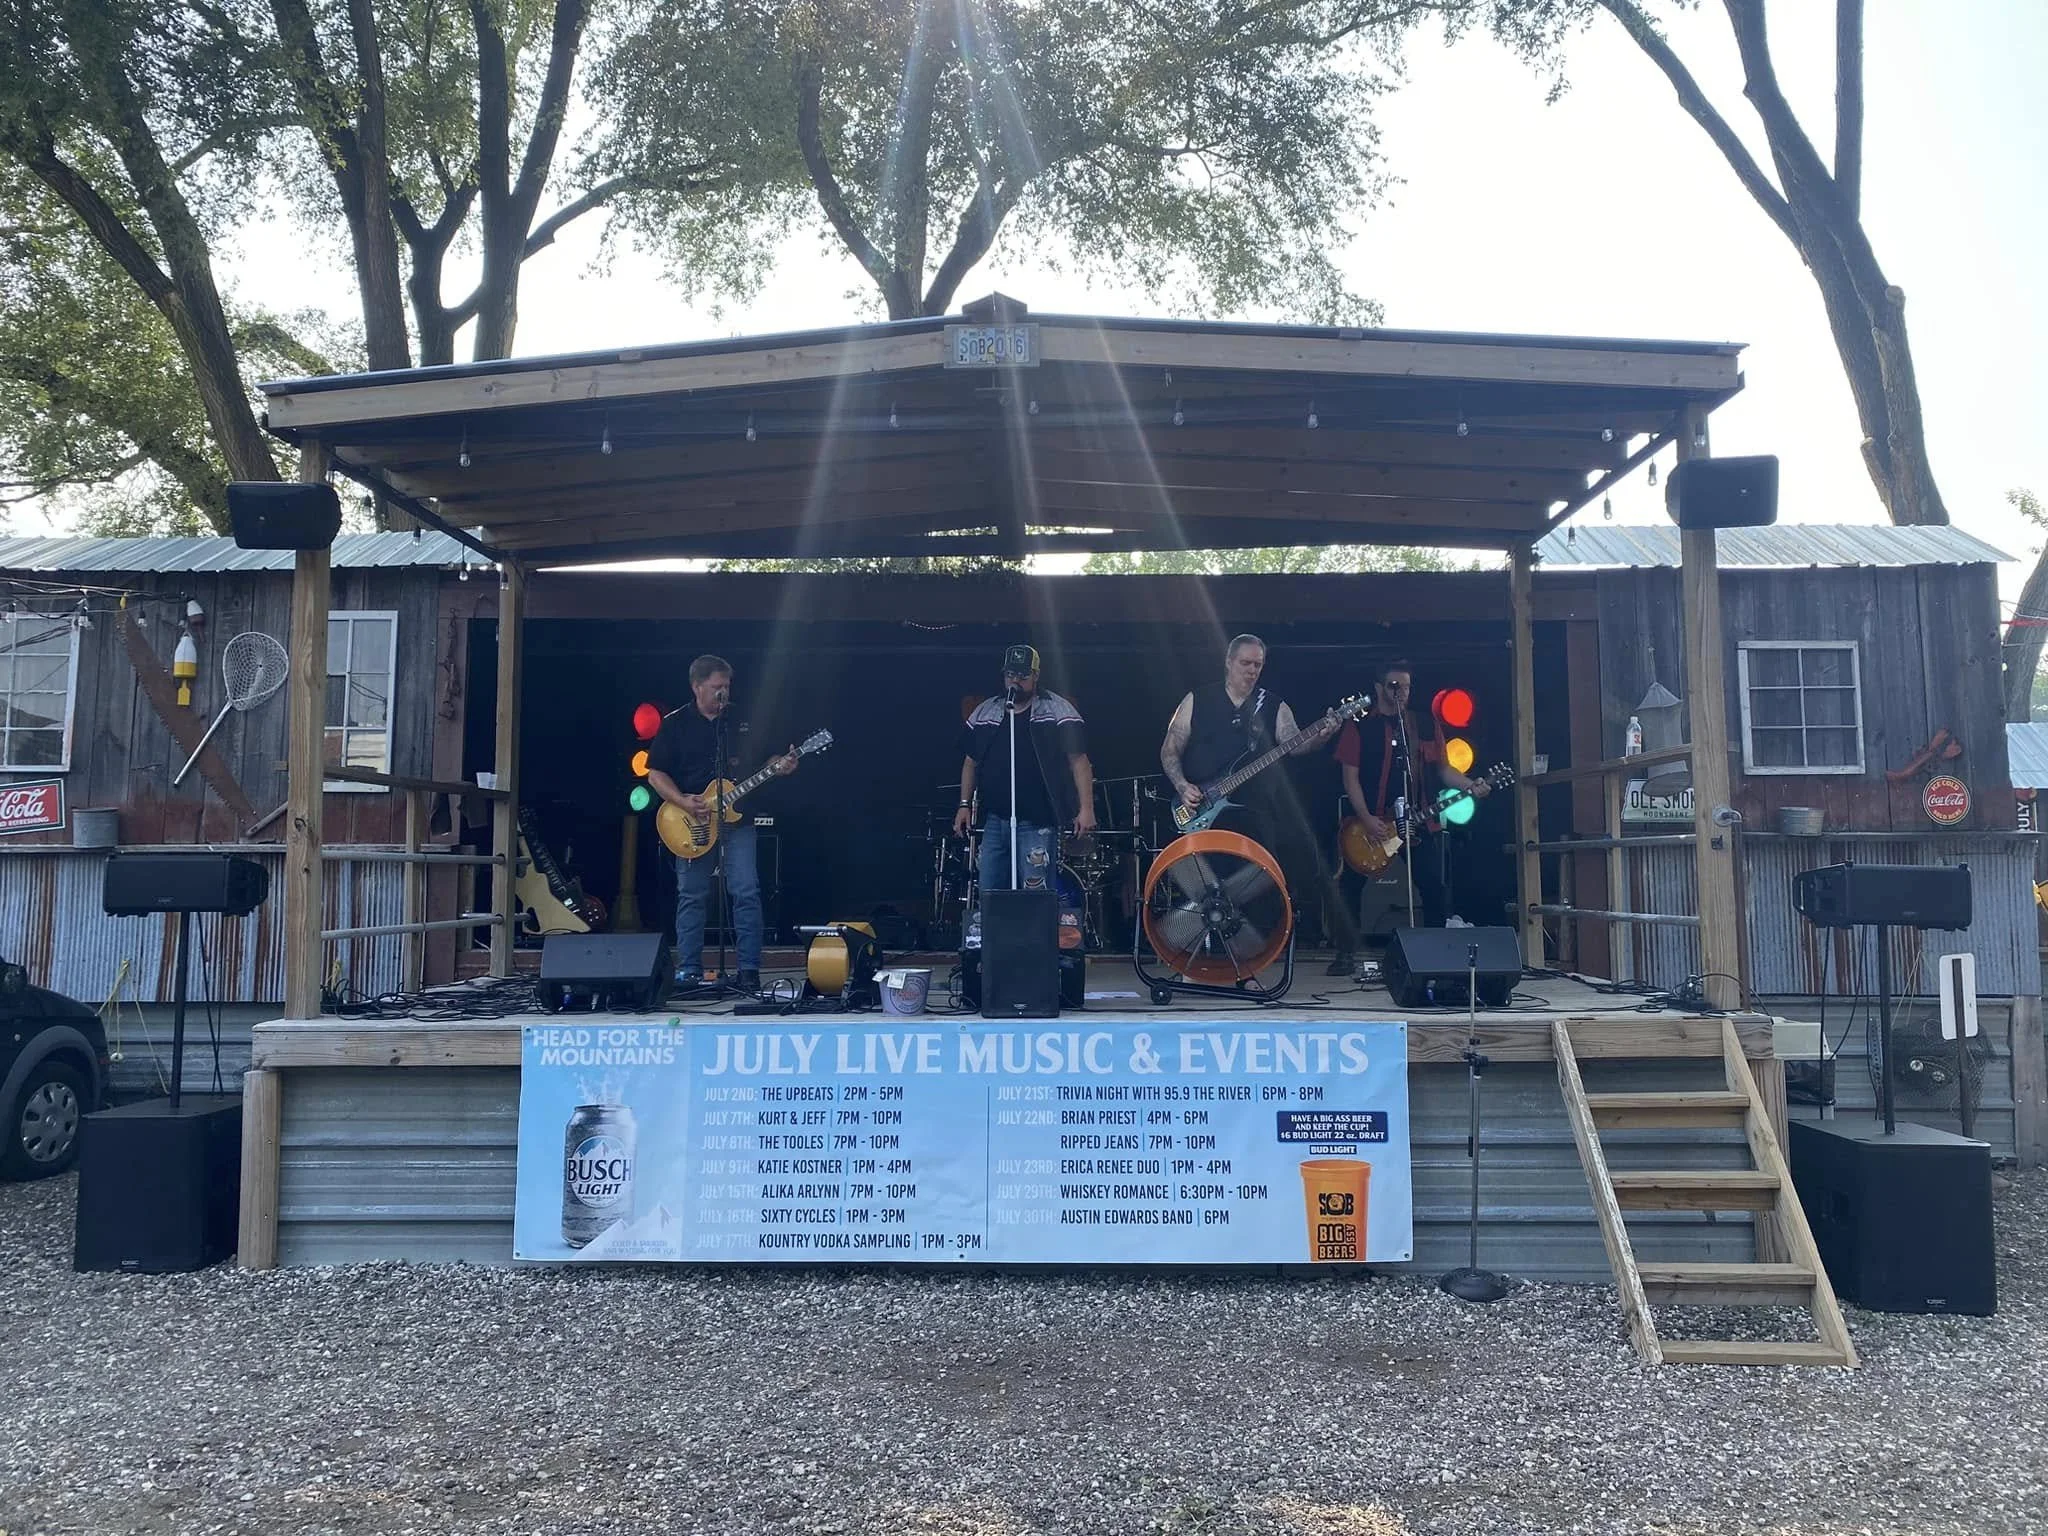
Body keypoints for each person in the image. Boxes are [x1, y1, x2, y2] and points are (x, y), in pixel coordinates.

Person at [646, 654, 796, 994]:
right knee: (692, 895)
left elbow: (768, 757)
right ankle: (689, 970)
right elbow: (655, 773)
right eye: (716, 687)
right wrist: (683, 801)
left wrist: (781, 764)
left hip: (737, 820)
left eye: (726, 686)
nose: (723, 693)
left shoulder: (741, 719)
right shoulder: (676, 723)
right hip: (691, 820)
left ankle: (748, 970)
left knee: (746, 891)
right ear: (697, 687)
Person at [1329, 658, 1491, 962]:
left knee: (1433, 885)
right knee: (1351, 885)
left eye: (1405, 686)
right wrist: (1367, 819)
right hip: (1372, 821)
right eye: (1394, 686)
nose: (1401, 692)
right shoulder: (1361, 726)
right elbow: (1349, 778)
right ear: (1378, 688)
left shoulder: (1426, 724)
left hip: (1417, 820)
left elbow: (1443, 770)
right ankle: (1345, 952)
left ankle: (1439, 954)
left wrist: (1471, 785)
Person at [953, 645, 1094, 905]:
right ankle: (994, 945)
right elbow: (969, 762)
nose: (1015, 681)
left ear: (1036, 676)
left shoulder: (1057, 710)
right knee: (989, 892)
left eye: (1022, 676)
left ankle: (1034, 945)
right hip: (995, 819)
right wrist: (964, 805)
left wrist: (1086, 808)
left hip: (1038, 820)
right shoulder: (986, 711)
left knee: (1035, 894)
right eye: (1010, 675)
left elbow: (1080, 762)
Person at [1158, 633, 1318, 849]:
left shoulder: (1273, 705)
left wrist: (1321, 736)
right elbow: (1170, 750)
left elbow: (1296, 746)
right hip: (1203, 811)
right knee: (1198, 878)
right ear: (1228, 661)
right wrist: (1182, 785)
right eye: (1245, 663)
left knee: (1261, 877)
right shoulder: (1196, 699)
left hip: (1255, 820)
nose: (1252, 670)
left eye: (1257, 665)